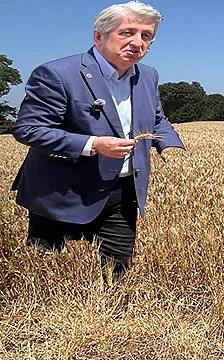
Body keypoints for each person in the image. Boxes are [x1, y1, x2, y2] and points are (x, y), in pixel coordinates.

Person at [11, 1, 184, 285]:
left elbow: (155, 119)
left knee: (117, 278)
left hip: (122, 192)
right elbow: (29, 129)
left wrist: (170, 145)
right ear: (98, 36)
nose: (137, 42)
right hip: (62, 194)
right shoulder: (57, 74)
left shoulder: (148, 75)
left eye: (146, 36)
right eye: (127, 32)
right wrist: (93, 144)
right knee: (52, 278)